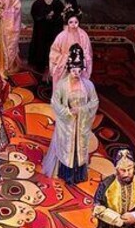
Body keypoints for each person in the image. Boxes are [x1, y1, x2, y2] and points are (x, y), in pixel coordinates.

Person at [42, 44, 99, 185]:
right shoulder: (62, 85)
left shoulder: (88, 85)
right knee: (66, 148)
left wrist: (82, 110)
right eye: (73, 70)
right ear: (69, 69)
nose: (76, 73)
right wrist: (67, 112)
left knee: (80, 147)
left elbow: (94, 101)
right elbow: (55, 102)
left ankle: (78, 175)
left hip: (81, 122)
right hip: (67, 123)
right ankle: (66, 175)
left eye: (79, 70)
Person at [49, 0, 93, 86]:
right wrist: (65, 59)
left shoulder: (83, 35)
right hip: (64, 65)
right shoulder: (61, 36)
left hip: (78, 65)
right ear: (67, 23)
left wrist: (80, 59)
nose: (73, 25)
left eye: (76, 22)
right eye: (71, 22)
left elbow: (87, 51)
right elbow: (54, 52)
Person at [28, 0, 65, 72]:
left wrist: (54, 17)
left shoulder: (58, 3)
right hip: (41, 29)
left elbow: (61, 17)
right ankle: (40, 65)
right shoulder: (37, 4)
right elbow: (35, 16)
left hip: (54, 30)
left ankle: (52, 64)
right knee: (40, 47)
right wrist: (45, 17)